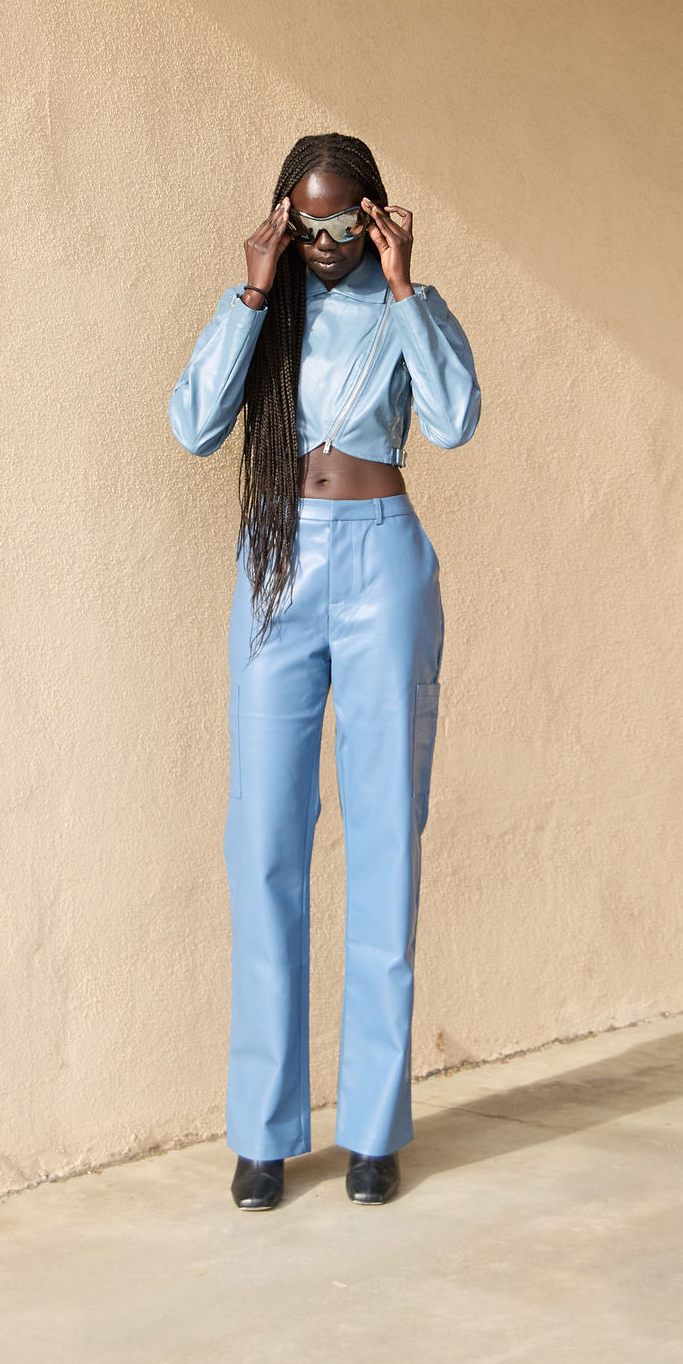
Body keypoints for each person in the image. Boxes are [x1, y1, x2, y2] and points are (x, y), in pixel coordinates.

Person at [169, 133, 481, 1210]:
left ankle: (372, 1127)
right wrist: (251, 293)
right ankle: (264, 1129)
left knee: (384, 829)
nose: (328, 240)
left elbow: (450, 419)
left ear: (377, 217)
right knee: (263, 836)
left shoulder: (402, 301)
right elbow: (194, 424)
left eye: (348, 221)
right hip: (276, 562)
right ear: (283, 220)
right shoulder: (268, 303)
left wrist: (403, 288)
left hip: (381, 561)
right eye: (310, 224)